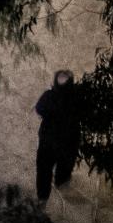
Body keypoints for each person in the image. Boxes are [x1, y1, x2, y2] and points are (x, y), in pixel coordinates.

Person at [34, 69, 83, 205]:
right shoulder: (54, 96)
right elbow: (39, 108)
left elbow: (40, 109)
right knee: (45, 169)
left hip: (63, 140)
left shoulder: (74, 97)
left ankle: (59, 186)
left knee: (58, 167)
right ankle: (43, 197)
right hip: (53, 140)